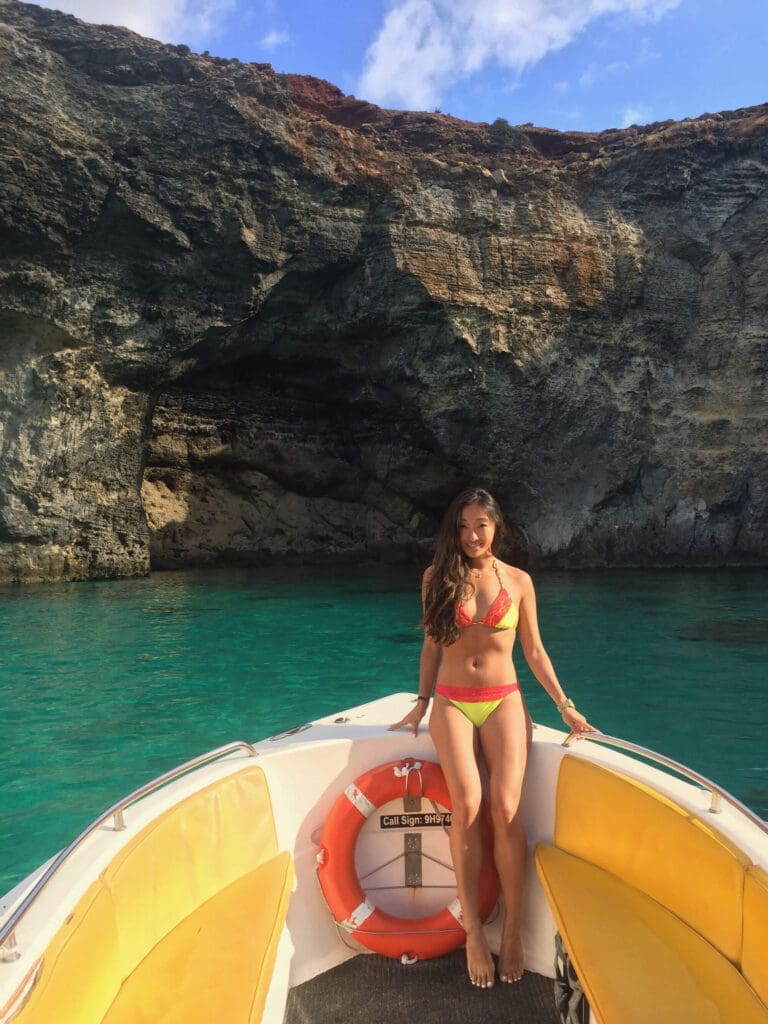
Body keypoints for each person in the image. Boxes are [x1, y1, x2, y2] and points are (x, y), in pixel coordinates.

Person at [390, 487, 596, 990]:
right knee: (469, 803)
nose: (472, 535)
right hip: (453, 701)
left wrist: (565, 706)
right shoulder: (436, 577)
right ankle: (474, 934)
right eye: (463, 526)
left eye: (480, 524)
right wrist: (420, 703)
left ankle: (518, 934)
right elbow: (431, 647)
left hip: (504, 697)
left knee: (506, 808)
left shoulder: (520, 581)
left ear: (496, 526)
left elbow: (535, 650)